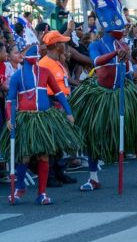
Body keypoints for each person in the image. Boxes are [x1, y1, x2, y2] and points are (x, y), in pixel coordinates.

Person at [70, 0, 137, 191]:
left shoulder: (124, 44)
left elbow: (129, 70)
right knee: (94, 133)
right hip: (101, 95)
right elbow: (97, 62)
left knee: (136, 132)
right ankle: (93, 176)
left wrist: (132, 72)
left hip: (122, 93)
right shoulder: (97, 45)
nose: (125, 29)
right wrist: (114, 54)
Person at [2, 26, 81, 205]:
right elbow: (10, 100)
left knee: (44, 156)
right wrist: (10, 118)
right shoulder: (17, 76)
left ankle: (42, 193)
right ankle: (20, 187)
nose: (35, 55)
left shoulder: (45, 72)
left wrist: (68, 112)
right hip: (26, 119)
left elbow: (59, 93)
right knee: (25, 156)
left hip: (44, 118)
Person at [39, 30, 78, 186]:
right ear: (56, 45)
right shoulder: (44, 64)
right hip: (52, 104)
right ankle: (50, 176)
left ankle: (59, 172)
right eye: (62, 42)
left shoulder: (57, 61)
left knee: (59, 141)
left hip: (60, 103)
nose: (65, 44)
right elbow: (45, 90)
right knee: (51, 142)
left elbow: (65, 82)